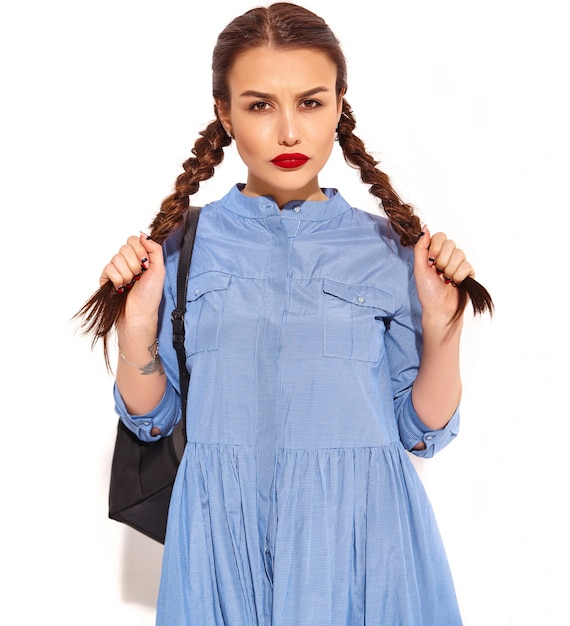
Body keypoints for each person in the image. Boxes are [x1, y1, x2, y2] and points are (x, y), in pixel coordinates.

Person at [77, 3, 493, 624]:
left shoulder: (390, 250)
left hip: (362, 541)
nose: (290, 133)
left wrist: (443, 324)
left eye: (311, 102)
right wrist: (137, 326)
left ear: (339, 104)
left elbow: (422, 431)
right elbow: (152, 421)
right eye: (260, 105)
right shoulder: (182, 248)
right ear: (224, 112)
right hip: (221, 539)